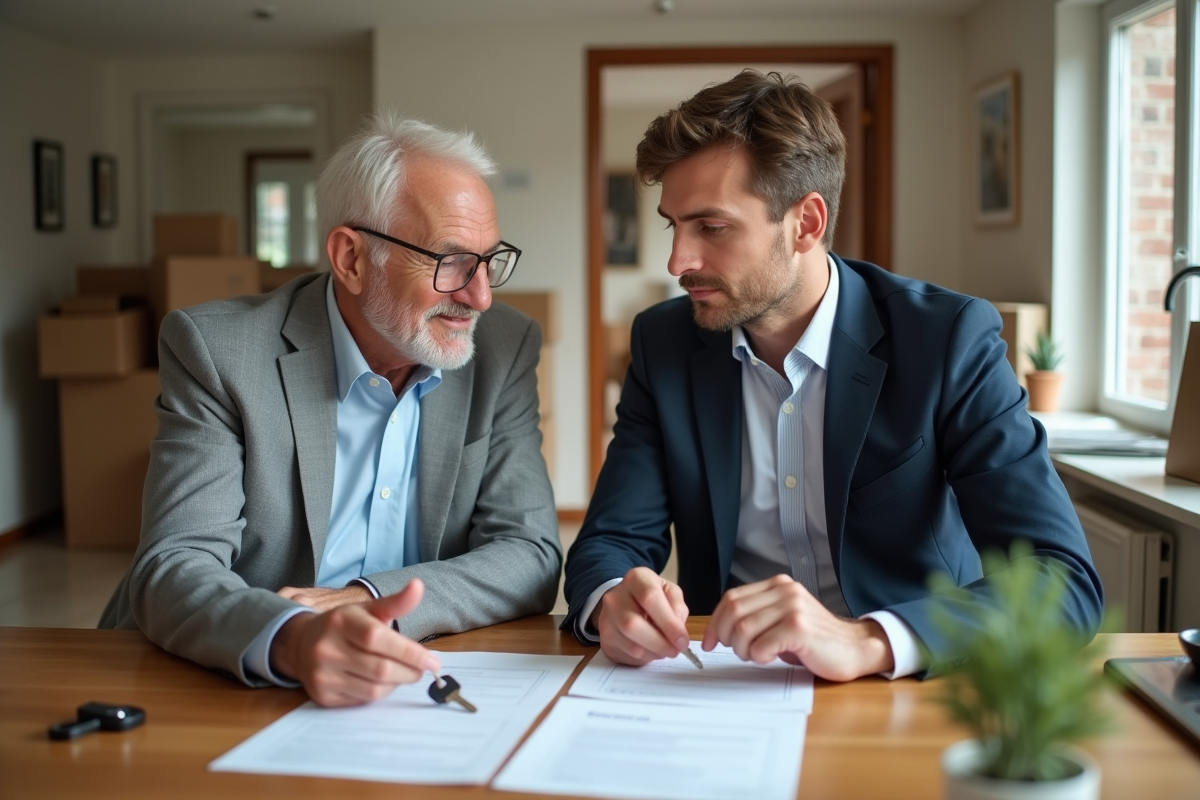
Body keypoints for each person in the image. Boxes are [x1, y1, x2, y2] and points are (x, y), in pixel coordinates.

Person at [562, 70, 1102, 681]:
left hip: (902, 687)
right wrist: (611, 599)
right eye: (673, 224)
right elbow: (608, 540)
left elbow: (1062, 581)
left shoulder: (946, 340)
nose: (677, 261)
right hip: (723, 683)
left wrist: (869, 640)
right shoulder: (663, 343)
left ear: (807, 223)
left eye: (711, 227)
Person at [100, 113, 561, 706]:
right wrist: (292, 638)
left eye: (488, 259)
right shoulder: (218, 350)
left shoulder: (503, 347)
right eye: (450, 262)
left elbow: (530, 554)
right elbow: (174, 564)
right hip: (217, 677)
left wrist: (369, 599)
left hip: (399, 684)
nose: (481, 296)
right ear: (351, 258)